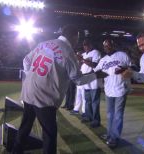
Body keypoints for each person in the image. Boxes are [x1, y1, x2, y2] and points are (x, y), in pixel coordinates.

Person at [12, 25, 107, 154]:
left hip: (29, 91)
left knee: (25, 127)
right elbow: (78, 80)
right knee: (49, 135)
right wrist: (96, 75)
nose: (77, 41)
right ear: (75, 36)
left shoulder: (43, 43)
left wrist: (32, 77)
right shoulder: (68, 51)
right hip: (44, 97)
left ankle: (15, 151)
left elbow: (26, 60)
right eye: (77, 38)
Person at [93, 38, 131, 147]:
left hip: (121, 89)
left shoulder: (122, 55)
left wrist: (124, 70)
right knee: (110, 115)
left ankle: (115, 137)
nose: (107, 47)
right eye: (105, 46)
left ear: (113, 45)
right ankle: (110, 134)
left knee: (118, 115)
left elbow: (132, 67)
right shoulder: (103, 59)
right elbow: (95, 71)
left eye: (108, 45)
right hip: (108, 90)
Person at [78, 39, 102, 128]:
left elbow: (95, 65)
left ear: (91, 44)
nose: (85, 46)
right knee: (87, 101)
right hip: (85, 80)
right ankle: (89, 116)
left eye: (87, 44)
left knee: (95, 102)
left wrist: (83, 60)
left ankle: (96, 120)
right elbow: (80, 66)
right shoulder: (83, 54)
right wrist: (78, 60)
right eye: (84, 45)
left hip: (94, 80)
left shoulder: (96, 52)